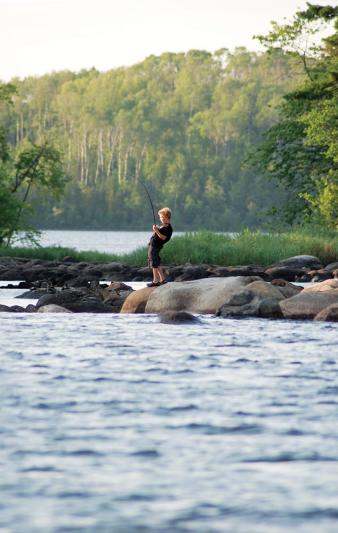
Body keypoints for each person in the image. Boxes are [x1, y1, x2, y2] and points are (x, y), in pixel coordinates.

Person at [147, 207, 173, 287]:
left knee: (154, 263)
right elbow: (159, 234)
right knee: (155, 263)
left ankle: (156, 281)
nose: (160, 219)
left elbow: (163, 237)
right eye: (160, 217)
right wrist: (157, 229)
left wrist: (156, 231)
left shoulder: (168, 228)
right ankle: (162, 280)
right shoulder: (164, 226)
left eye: (162, 217)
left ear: (166, 217)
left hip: (155, 246)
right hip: (154, 245)